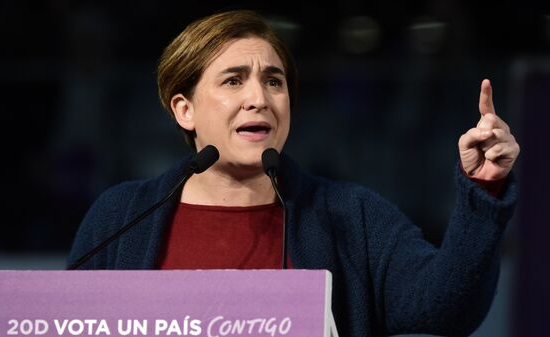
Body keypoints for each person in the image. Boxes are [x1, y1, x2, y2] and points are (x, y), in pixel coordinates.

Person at [68, 10, 520, 337]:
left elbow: (446, 308)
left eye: (274, 81)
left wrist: (483, 188)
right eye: (233, 80)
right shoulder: (121, 217)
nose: (259, 98)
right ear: (185, 111)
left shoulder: (349, 215)